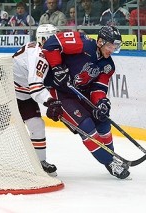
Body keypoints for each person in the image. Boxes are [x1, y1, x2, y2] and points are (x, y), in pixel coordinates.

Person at [42, 26, 130, 179]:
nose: (112, 50)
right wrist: (56, 68)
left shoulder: (108, 65)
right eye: (110, 46)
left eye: (115, 47)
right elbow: (50, 44)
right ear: (100, 41)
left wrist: (101, 102)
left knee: (102, 119)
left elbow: (98, 88)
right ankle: (109, 162)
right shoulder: (83, 44)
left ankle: (112, 156)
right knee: (86, 125)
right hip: (60, 92)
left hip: (79, 94)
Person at [12, 24, 61, 176]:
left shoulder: (41, 51)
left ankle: (40, 163)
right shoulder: (39, 56)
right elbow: (35, 88)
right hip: (6, 94)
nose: (57, 41)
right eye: (54, 37)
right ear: (44, 39)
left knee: (37, 125)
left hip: (22, 93)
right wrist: (51, 101)